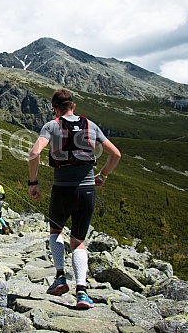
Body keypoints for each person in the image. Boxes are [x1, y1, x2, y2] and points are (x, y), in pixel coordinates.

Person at [28, 89, 121, 310]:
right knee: (78, 242)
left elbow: (34, 153)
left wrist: (33, 182)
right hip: (87, 191)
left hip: (62, 190)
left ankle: (60, 277)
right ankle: (82, 293)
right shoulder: (91, 125)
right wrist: (103, 175)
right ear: (74, 106)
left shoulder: (52, 126)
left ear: (54, 109)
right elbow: (116, 154)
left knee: (56, 231)